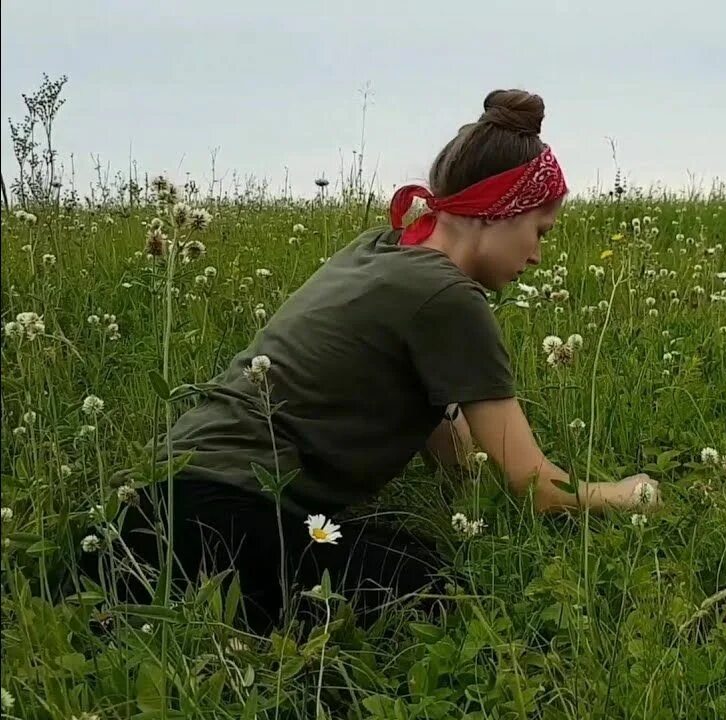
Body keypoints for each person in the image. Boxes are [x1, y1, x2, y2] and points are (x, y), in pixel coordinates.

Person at [103, 89, 660, 634]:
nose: (538, 255)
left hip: (153, 503)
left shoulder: (382, 250)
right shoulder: (448, 298)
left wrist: (470, 495)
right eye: (539, 232)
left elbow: (452, 444)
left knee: (394, 551)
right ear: (499, 210)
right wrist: (621, 494)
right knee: (425, 586)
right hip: (221, 515)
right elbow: (532, 485)